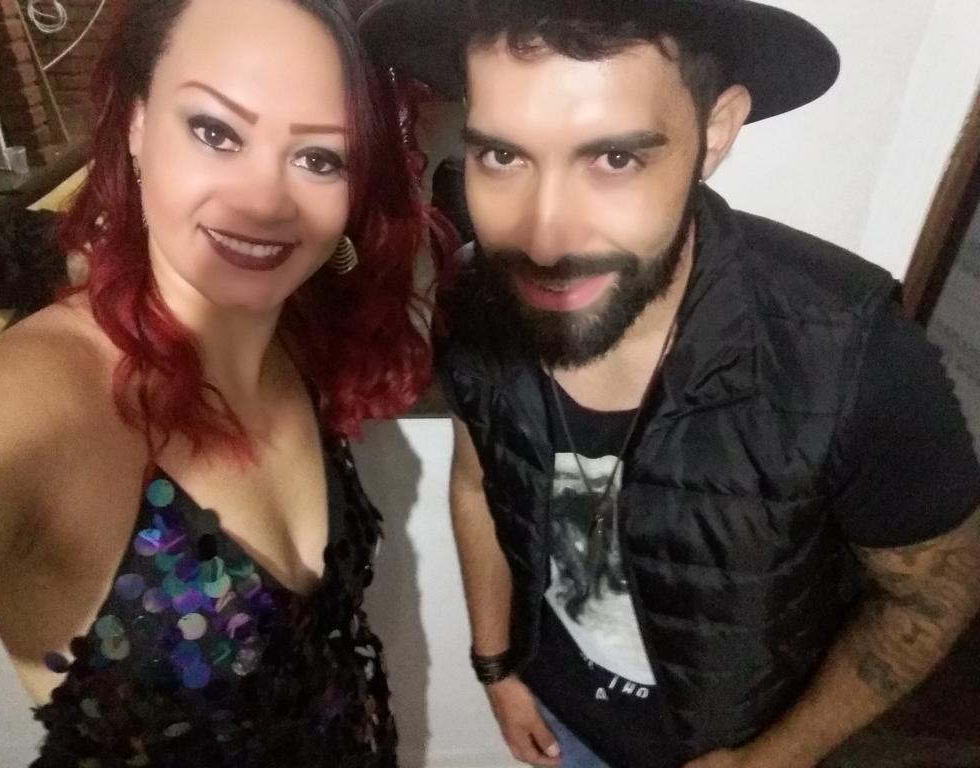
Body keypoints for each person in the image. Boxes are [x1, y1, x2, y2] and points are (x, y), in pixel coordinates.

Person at [360, 1, 980, 767]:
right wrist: (497, 667)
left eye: (615, 159)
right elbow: (476, 480)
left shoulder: (852, 356)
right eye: (503, 157)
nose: (544, 238)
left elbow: (934, 592)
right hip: (557, 711)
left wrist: (772, 759)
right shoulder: (477, 296)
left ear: (715, 131)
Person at [0, 0, 447, 764]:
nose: (263, 202)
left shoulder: (297, 341)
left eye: (321, 158)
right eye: (216, 132)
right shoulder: (20, 406)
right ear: (135, 124)